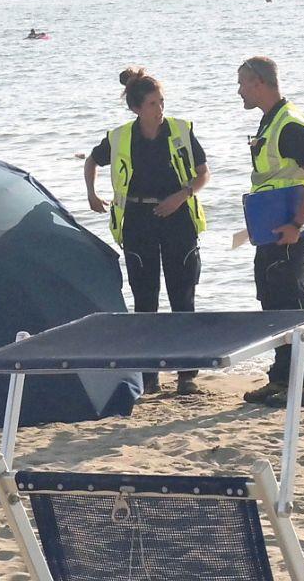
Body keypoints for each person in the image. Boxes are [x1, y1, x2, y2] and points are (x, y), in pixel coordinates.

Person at [85, 68, 210, 395]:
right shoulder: (121, 136)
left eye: (162, 102)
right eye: (153, 103)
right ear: (137, 108)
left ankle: (187, 375)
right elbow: (92, 162)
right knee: (145, 299)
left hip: (178, 218)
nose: (160, 109)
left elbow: (202, 174)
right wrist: (91, 193)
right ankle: (150, 375)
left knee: (183, 296)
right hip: (139, 221)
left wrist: (180, 196)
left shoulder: (180, 131)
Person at [238, 56, 304, 408]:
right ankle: (281, 377)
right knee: (272, 302)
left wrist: (297, 224)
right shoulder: (269, 120)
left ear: (259, 82)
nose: (239, 91)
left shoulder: (289, 125)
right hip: (270, 229)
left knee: (293, 304)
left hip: (289, 231)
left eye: (243, 83)